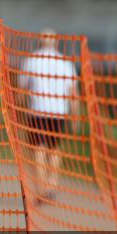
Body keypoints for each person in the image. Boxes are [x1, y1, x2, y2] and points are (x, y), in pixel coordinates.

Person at [18, 29, 79, 204]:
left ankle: (41, 188)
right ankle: (51, 185)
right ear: (56, 42)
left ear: (40, 41)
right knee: (54, 149)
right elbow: (73, 93)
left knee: (38, 149)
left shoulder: (31, 61)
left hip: (37, 110)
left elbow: (21, 90)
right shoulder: (65, 63)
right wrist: (75, 116)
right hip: (59, 113)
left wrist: (19, 111)